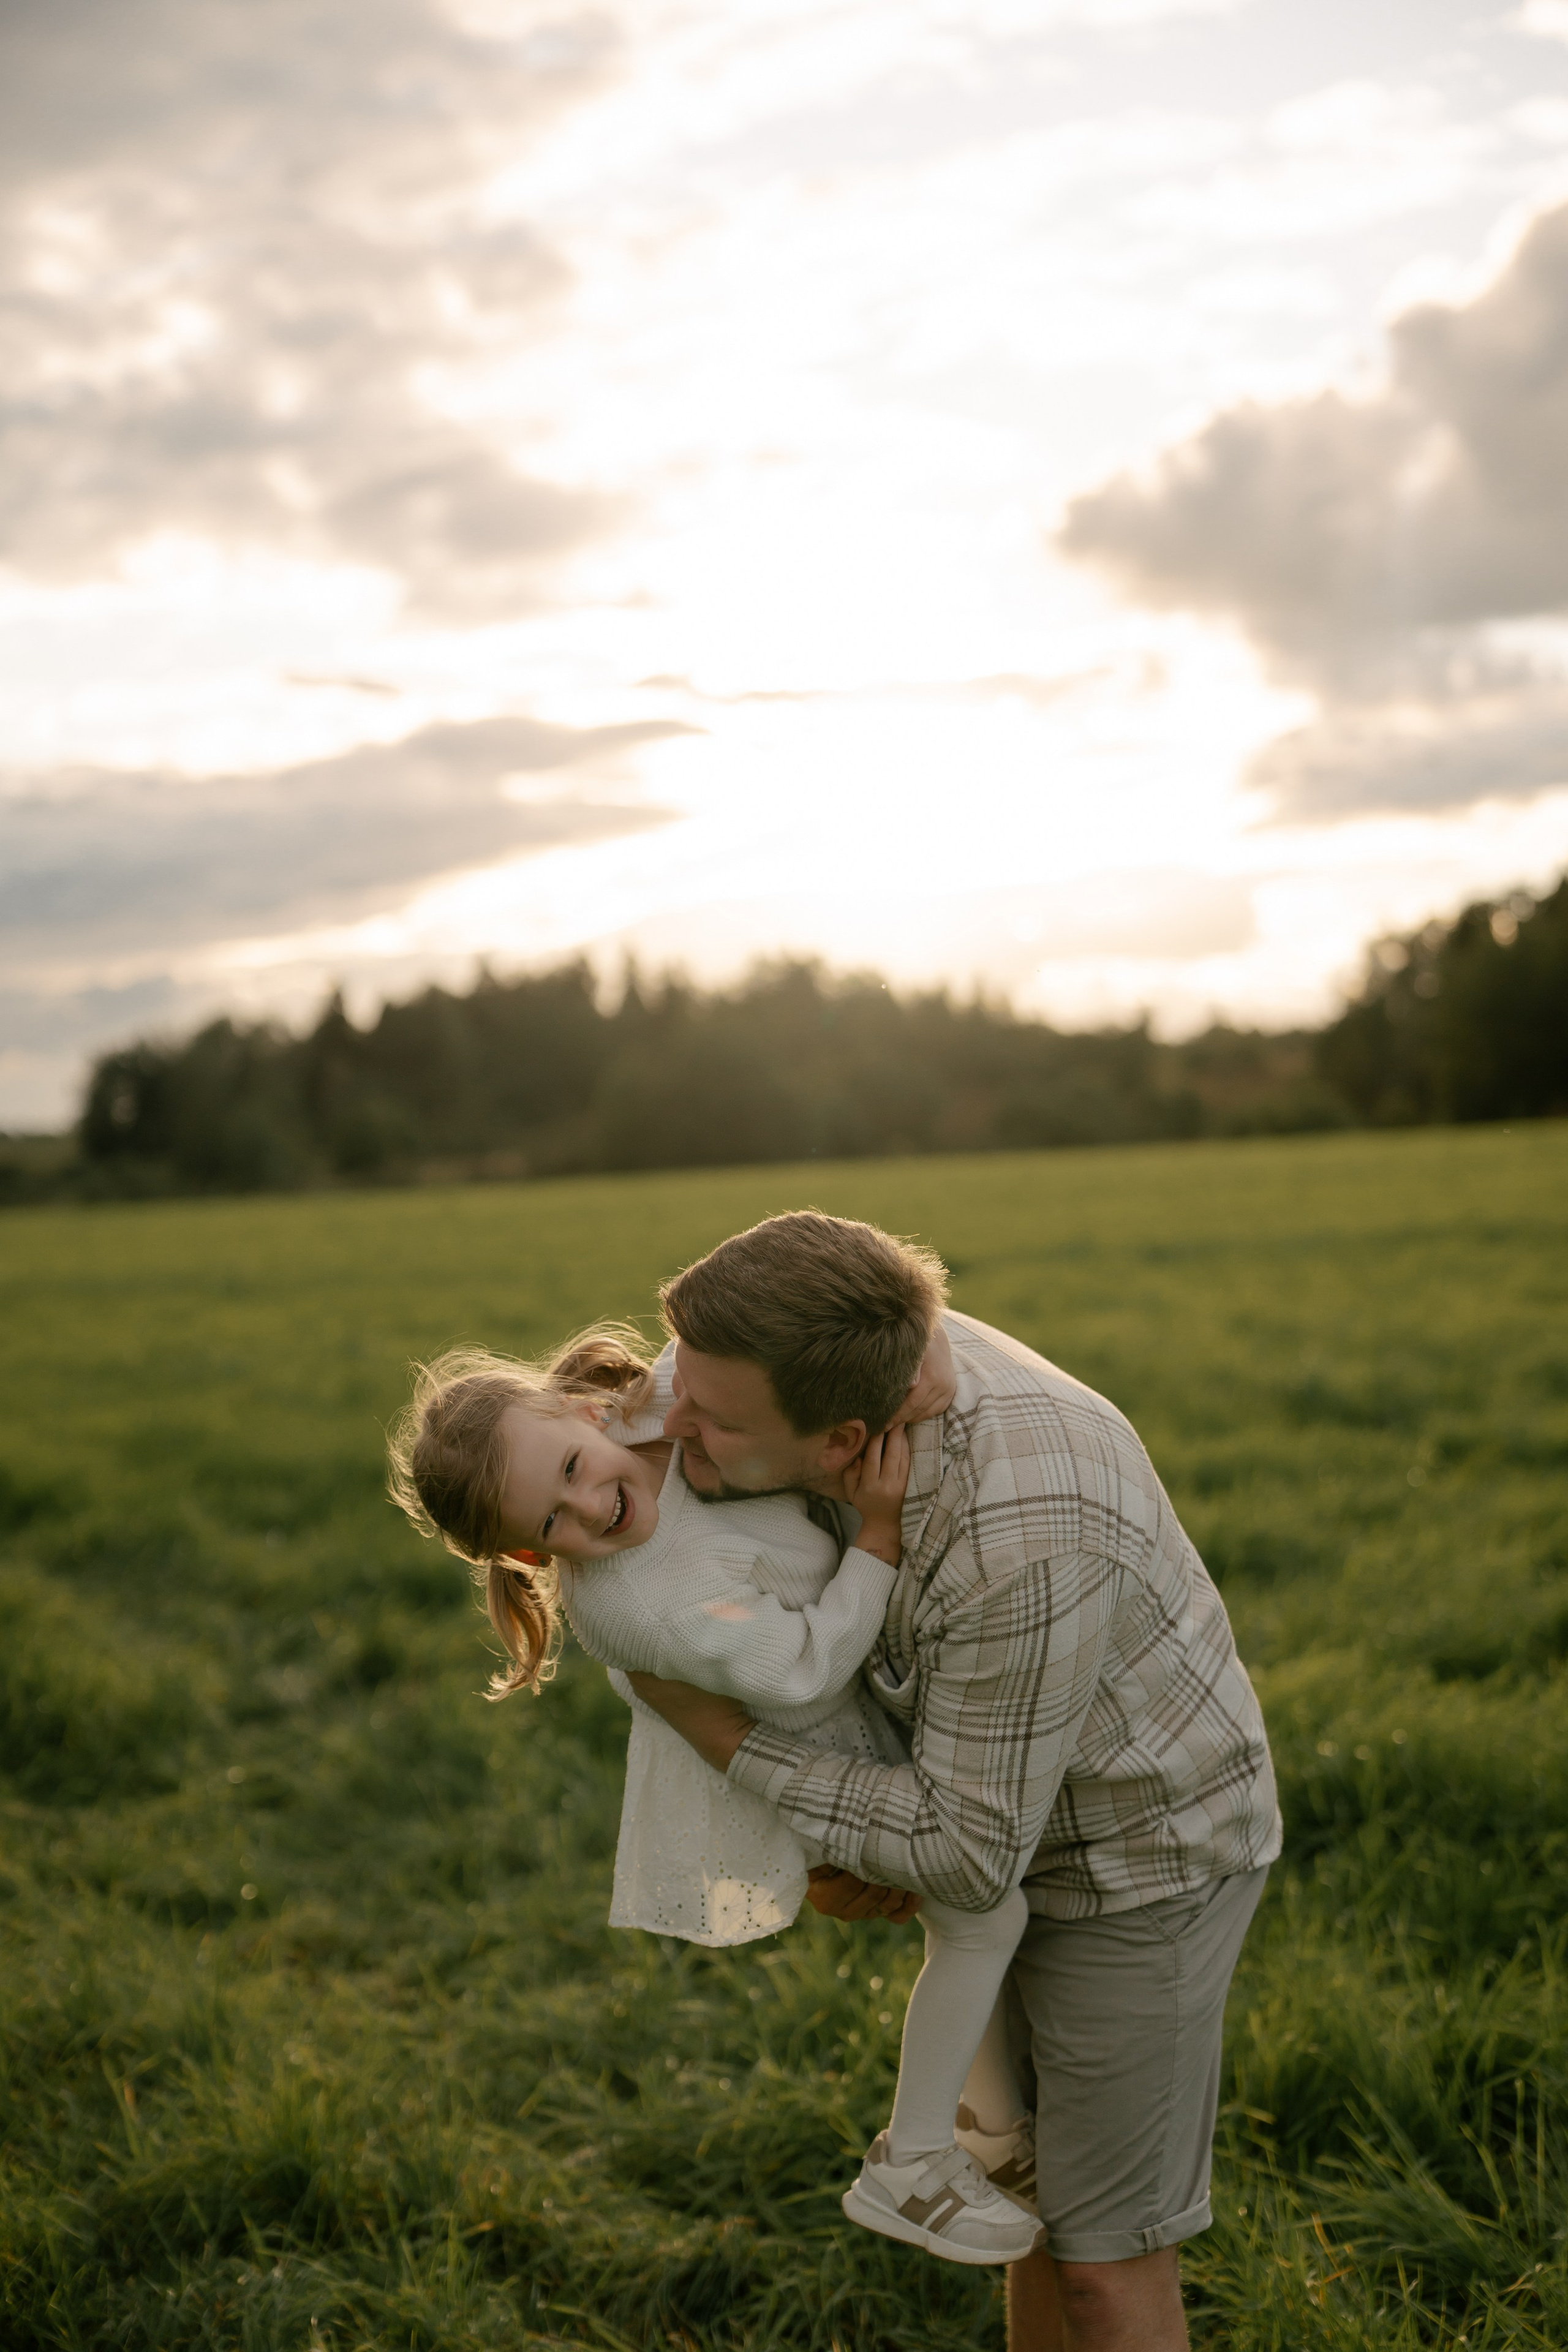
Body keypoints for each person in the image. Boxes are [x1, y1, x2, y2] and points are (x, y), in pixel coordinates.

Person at [625, 1211, 1282, 2352]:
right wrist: (840, 1842)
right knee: (1029, 2213)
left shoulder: (1022, 1528)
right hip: (991, 1816)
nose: (665, 1417)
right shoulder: (796, 1355)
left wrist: (733, 1744)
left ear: (845, 1441)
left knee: (1105, 2262)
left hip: (1136, 1856)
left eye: (712, 1418)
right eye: (679, 1378)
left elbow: (965, 1852)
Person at [385, 1327, 1043, 2267]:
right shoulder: (642, 1600)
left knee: (963, 1918)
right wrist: (883, 1536)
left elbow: (723, 1363)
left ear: (584, 1412)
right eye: (549, 1526)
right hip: (820, 1748)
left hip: (863, 1702)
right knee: (983, 1912)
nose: (587, 1508)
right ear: (530, 1559)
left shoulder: (655, 1413)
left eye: (574, 1466)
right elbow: (805, 1670)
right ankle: (918, 2160)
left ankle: (992, 2122)